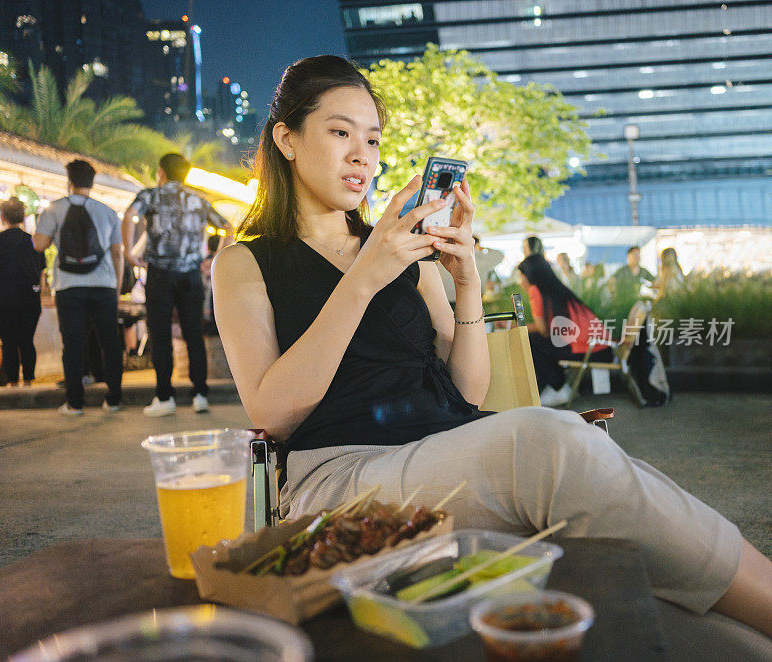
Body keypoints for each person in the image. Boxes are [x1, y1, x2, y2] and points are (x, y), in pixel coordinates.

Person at [211, 55, 772, 640]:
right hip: (337, 475)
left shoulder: (408, 258)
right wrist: (361, 279)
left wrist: (466, 280)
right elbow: (272, 411)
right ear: (287, 139)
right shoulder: (246, 263)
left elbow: (467, 391)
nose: (362, 155)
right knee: (551, 444)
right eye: (339, 132)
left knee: (597, 478)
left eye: (373, 139)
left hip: (444, 445)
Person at [122, 153, 230, 416]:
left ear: (161, 172)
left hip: (160, 273)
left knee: (160, 334)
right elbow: (227, 226)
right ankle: (200, 395)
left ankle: (165, 397)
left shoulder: (151, 195)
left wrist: (129, 252)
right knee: (194, 333)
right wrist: (214, 258)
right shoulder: (198, 199)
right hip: (191, 275)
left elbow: (129, 216)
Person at [34, 159, 123, 416]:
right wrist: (115, 288)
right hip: (104, 285)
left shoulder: (54, 209)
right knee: (110, 342)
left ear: (69, 181)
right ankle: (113, 399)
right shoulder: (108, 212)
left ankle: (75, 403)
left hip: (69, 286)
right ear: (92, 183)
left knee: (72, 343)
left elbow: (39, 245)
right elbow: (117, 253)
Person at [516, 254, 612, 406]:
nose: (520, 280)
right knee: (539, 341)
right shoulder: (555, 287)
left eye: (521, 275)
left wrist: (515, 325)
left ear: (530, 276)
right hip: (602, 349)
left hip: (591, 351)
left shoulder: (535, 290)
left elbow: (543, 330)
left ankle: (558, 388)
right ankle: (557, 387)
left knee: (531, 341)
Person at [0, 197, 44, 387]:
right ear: (23, 217)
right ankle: (29, 381)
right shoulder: (33, 241)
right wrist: (39, 293)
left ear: (2, 216)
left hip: (3, 298)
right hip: (30, 299)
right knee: (27, 341)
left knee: (8, 342)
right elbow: (41, 273)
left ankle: (13, 383)